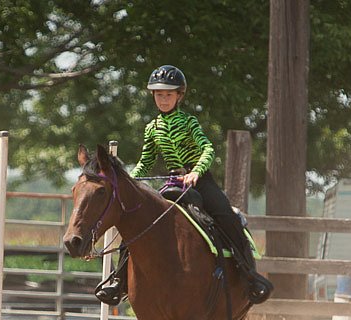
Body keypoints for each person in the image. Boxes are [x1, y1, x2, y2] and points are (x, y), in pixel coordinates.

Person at [95, 64, 273, 305]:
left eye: (169, 94)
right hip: (171, 184)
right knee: (137, 223)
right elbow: (146, 161)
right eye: (159, 94)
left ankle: (249, 275)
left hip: (200, 182)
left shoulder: (189, 122)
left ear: (179, 95)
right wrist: (129, 180)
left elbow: (207, 149)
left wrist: (196, 172)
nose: (164, 99)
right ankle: (119, 280)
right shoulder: (152, 128)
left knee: (226, 216)